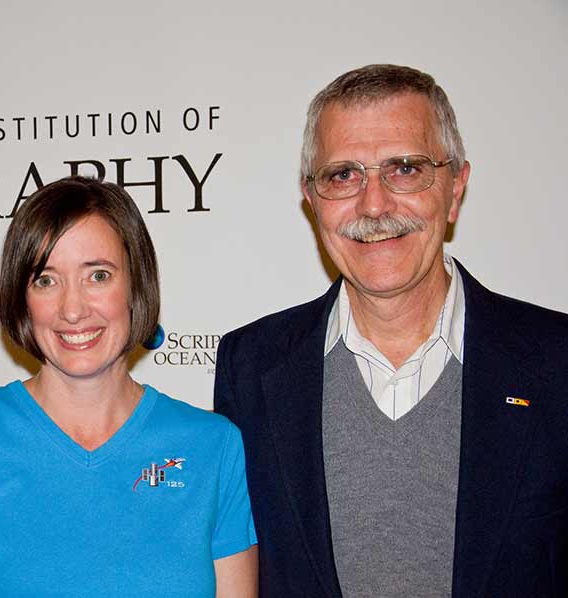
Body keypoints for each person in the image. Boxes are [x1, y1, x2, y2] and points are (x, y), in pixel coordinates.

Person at [215, 64, 568, 598]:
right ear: (311, 199)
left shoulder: (556, 363)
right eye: (343, 176)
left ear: (454, 190)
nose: (374, 204)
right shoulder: (251, 365)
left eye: (404, 168)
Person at [0, 176, 258, 598]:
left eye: (98, 275)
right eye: (46, 280)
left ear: (135, 285)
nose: (72, 309)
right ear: (22, 298)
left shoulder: (213, 446)